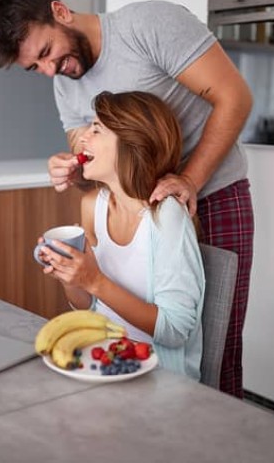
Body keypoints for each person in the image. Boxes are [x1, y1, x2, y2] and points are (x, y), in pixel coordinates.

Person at [0, 0, 254, 398]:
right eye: (34, 67)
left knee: (217, 351)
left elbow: (235, 97)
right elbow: (91, 164)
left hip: (212, 190)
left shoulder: (148, 25)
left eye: (45, 53)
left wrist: (189, 181)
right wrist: (73, 171)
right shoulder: (65, 83)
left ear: (60, 12)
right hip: (135, 205)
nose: (47, 71)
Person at [36, 90, 204, 379]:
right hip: (103, 361)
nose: (83, 138)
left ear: (131, 144)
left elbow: (176, 331)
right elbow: (87, 305)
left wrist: (95, 281)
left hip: (158, 377)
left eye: (96, 129)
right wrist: (72, 276)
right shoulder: (92, 206)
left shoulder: (166, 217)